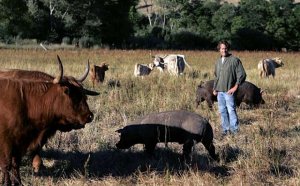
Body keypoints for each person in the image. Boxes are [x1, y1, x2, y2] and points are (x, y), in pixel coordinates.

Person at [213, 40, 246, 136]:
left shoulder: (234, 60)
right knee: (222, 111)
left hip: (229, 91)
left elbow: (242, 74)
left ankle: (235, 131)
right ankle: (225, 130)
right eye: (222, 48)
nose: (224, 50)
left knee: (231, 110)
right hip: (220, 92)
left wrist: (235, 87)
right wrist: (215, 88)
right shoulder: (218, 62)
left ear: (228, 49)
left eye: (226, 48)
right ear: (219, 49)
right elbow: (216, 76)